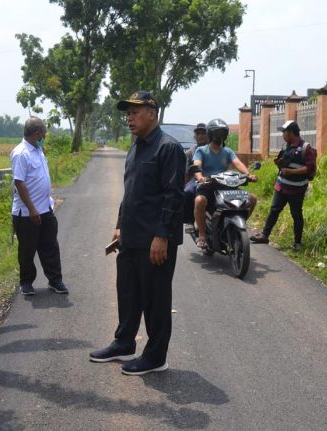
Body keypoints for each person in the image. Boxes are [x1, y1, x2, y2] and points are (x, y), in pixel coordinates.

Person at [89, 91, 186, 376]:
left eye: (135, 112)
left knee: (155, 300)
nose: (129, 118)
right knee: (128, 293)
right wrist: (120, 224)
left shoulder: (168, 148)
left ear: (152, 113)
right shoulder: (135, 147)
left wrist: (162, 236)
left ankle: (156, 357)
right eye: (127, 113)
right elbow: (131, 191)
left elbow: (174, 196)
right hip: (131, 235)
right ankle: (124, 342)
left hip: (154, 240)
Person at [10, 117, 68, 296]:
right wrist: (32, 209)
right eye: (44, 134)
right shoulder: (21, 153)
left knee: (50, 246)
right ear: (37, 134)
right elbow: (19, 183)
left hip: (45, 209)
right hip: (27, 213)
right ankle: (26, 282)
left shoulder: (38, 149)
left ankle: (55, 280)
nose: (45, 137)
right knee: (27, 249)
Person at [251, 120, 316, 251]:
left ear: (291, 133)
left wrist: (292, 171)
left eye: (284, 132)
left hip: (297, 189)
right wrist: (279, 162)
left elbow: (309, 168)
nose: (283, 135)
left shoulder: (305, 148)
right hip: (282, 186)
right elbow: (281, 161)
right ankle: (264, 235)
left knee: (296, 214)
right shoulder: (286, 146)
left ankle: (297, 243)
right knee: (274, 210)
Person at [193, 119, 257, 249]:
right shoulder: (201, 150)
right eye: (217, 133)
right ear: (210, 134)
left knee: (252, 198)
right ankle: (202, 235)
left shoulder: (227, 151)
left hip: (226, 185)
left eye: (222, 133)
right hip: (208, 185)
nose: (220, 136)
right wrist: (200, 177)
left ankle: (238, 224)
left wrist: (248, 174)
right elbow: (197, 165)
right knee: (199, 200)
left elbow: (237, 163)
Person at [183, 123, 209, 226]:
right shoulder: (190, 152)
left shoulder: (213, 149)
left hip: (213, 179)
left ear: (209, 135)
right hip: (195, 180)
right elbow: (186, 172)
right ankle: (189, 220)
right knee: (187, 192)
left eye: (203, 133)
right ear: (195, 136)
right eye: (198, 133)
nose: (201, 135)